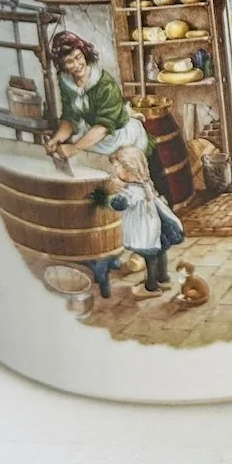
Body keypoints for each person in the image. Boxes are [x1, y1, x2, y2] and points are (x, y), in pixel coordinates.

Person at [45, 31, 150, 164]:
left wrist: (74, 148)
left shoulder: (105, 84)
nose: (77, 65)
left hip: (119, 139)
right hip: (92, 138)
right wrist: (56, 139)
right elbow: (69, 118)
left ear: (84, 54)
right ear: (62, 65)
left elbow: (104, 127)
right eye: (69, 62)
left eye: (78, 57)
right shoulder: (67, 83)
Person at [100, 146, 185, 298]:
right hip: (155, 224)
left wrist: (104, 199)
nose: (115, 171)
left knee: (149, 256)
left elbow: (119, 204)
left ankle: (151, 287)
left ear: (128, 170)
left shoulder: (132, 190)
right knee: (160, 251)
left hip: (145, 228)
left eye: (117, 168)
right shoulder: (145, 183)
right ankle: (163, 279)